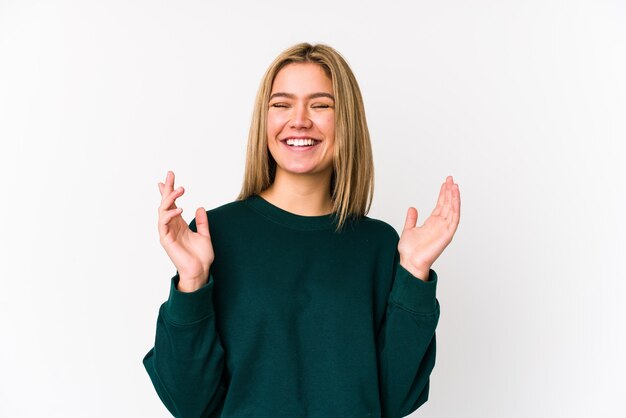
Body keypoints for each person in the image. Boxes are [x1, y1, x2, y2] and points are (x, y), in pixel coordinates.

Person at [143, 43, 461, 418]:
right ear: (264, 120)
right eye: (281, 104)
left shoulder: (378, 245)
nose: (299, 120)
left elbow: (395, 399)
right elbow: (188, 402)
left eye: (321, 105)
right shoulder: (214, 236)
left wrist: (414, 275)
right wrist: (191, 282)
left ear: (347, 121)